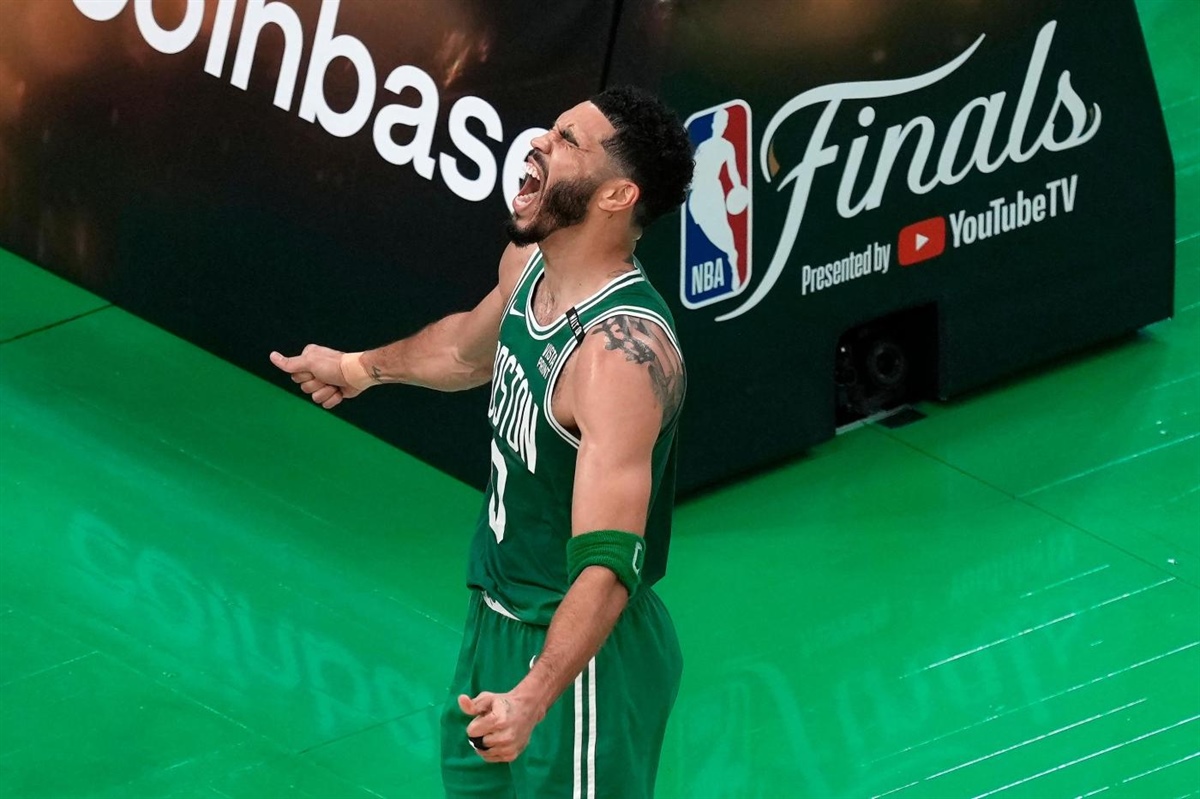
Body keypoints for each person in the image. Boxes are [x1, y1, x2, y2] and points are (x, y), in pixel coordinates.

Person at [270, 86, 694, 799]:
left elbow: (608, 565)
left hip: (580, 660)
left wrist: (533, 696)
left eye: (566, 141)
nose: (536, 145)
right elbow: (467, 350)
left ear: (618, 194)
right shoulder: (529, 269)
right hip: (495, 621)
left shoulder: (619, 355)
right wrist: (357, 369)